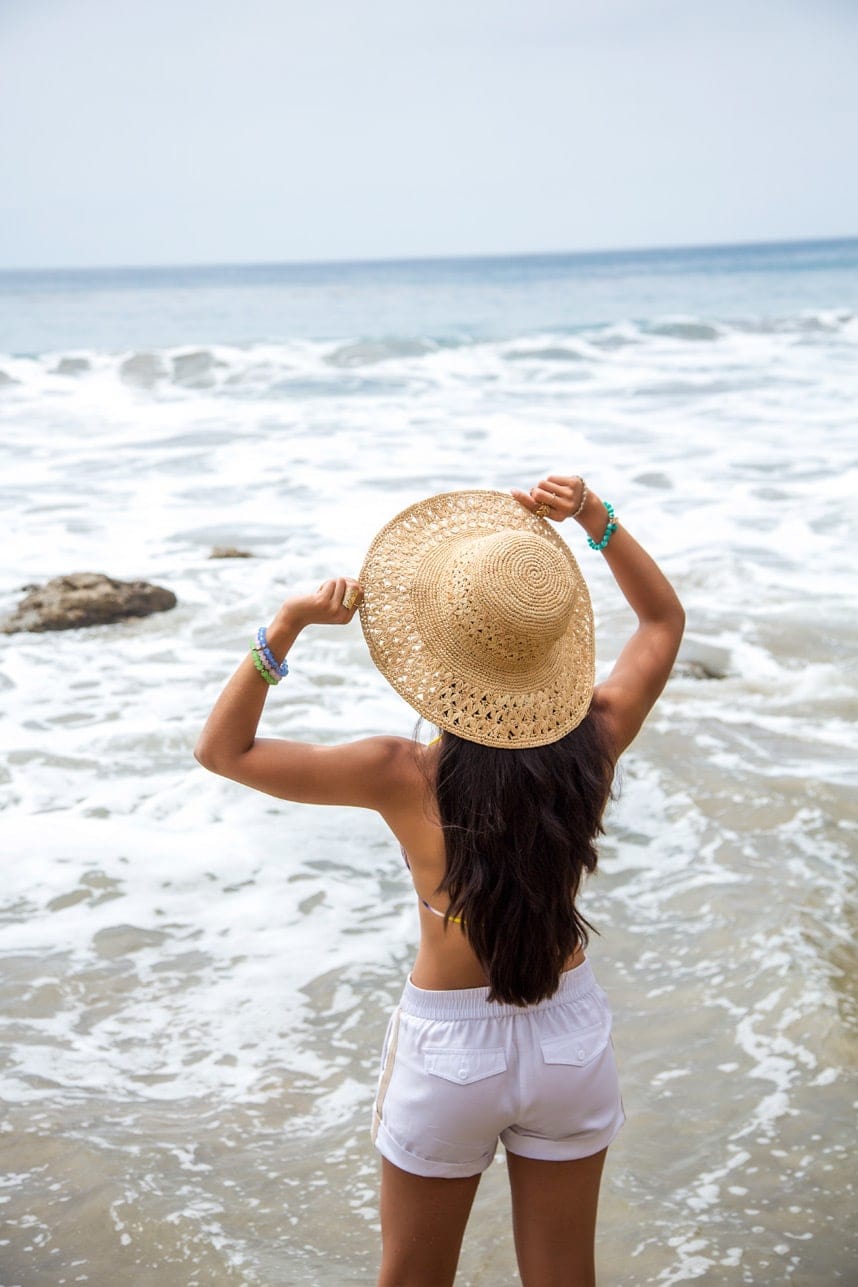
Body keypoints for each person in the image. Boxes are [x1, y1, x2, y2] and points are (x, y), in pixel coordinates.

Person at [195, 474, 685, 1286]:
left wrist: (286, 626)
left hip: (450, 1048)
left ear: (443, 659)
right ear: (550, 649)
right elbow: (664, 621)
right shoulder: (597, 740)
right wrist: (598, 521)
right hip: (569, 1040)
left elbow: (225, 751)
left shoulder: (401, 771)